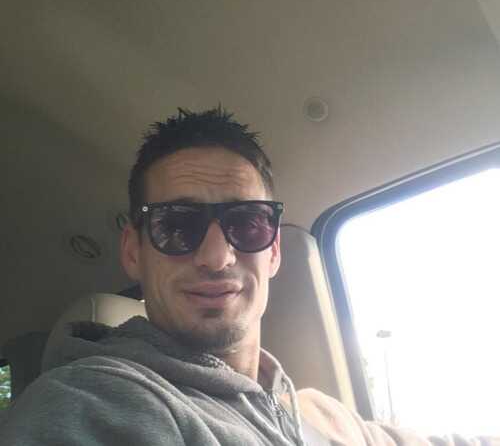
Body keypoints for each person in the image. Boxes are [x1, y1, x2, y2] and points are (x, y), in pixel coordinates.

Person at [0, 108, 497, 445]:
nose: (218, 257)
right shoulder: (94, 402)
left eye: (248, 223)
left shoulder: (317, 412)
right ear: (133, 251)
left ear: (274, 249)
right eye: (177, 225)